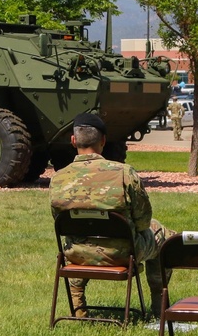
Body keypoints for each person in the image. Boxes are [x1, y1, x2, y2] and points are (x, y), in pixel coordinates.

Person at [49, 113, 174, 318]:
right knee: (162, 233)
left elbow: (60, 222)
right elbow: (143, 221)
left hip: (76, 255)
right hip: (123, 254)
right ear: (103, 141)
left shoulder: (57, 179)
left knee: (80, 240)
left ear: (73, 141)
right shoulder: (124, 173)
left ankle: (78, 307)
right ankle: (159, 309)